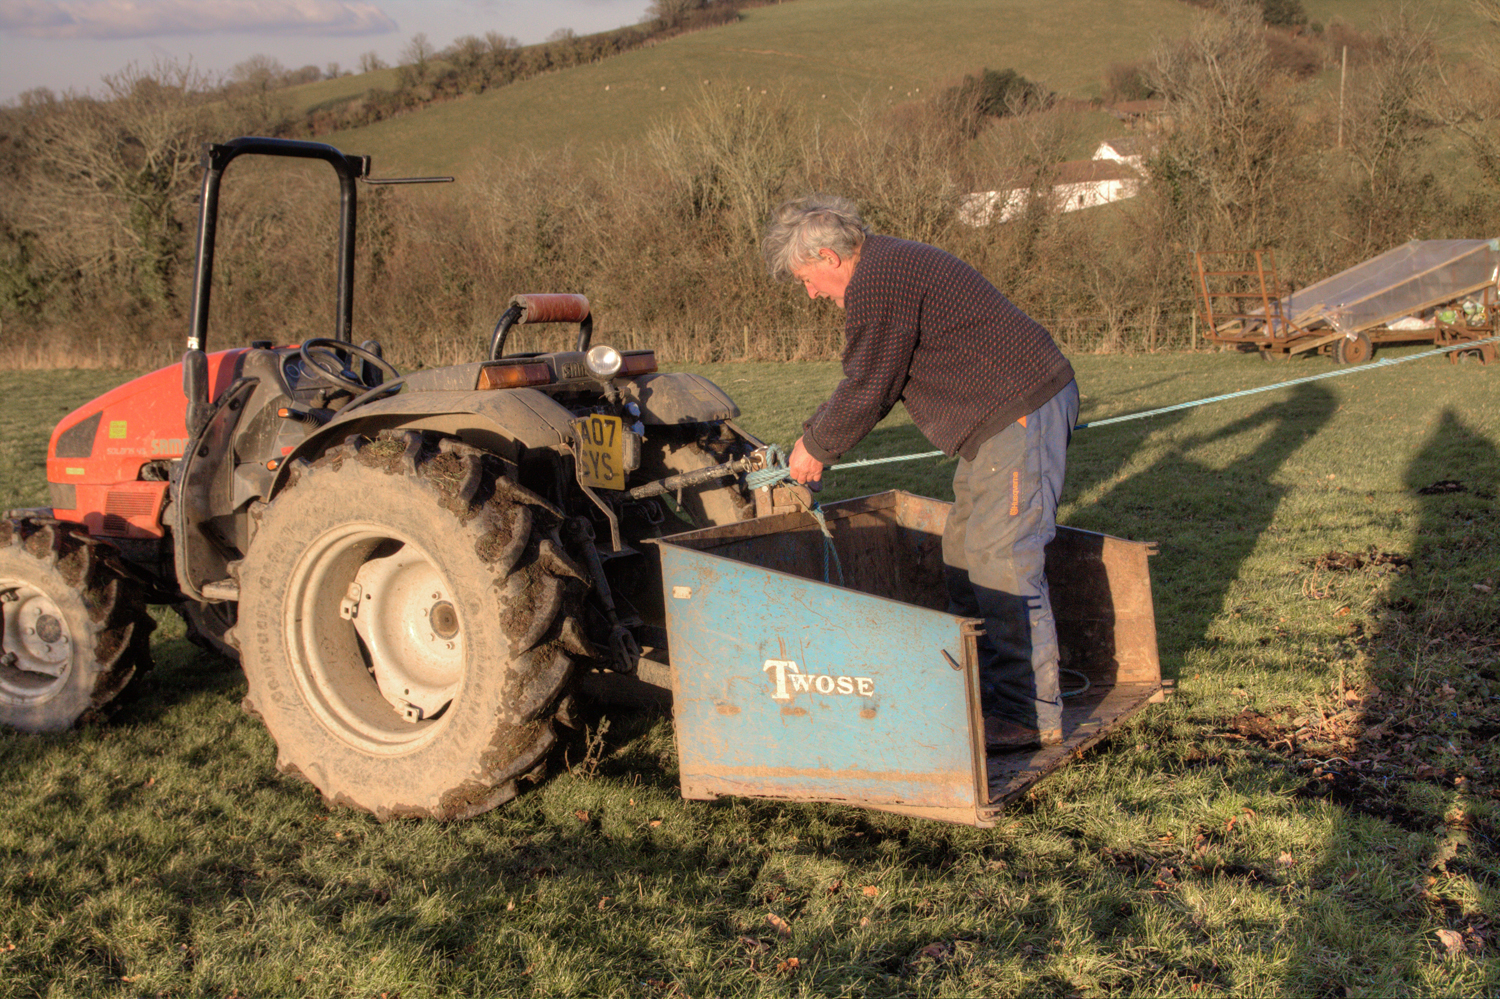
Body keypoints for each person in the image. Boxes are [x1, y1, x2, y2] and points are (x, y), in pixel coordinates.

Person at [762, 194, 1079, 749]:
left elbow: (870, 383)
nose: (810, 293)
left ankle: (1029, 713)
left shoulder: (880, 281)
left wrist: (815, 447)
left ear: (829, 258)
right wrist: (816, 436)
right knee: (961, 552)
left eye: (805, 278)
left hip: (1018, 412)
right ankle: (978, 692)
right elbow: (873, 378)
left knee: (1001, 559)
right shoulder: (888, 266)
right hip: (994, 423)